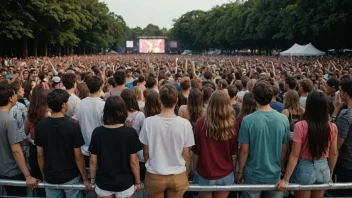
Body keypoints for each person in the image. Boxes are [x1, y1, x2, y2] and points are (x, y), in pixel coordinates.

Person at [276, 91, 338, 198]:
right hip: (323, 169)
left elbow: (294, 155)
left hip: (304, 168)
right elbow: (333, 153)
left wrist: (285, 179)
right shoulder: (332, 127)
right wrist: (330, 171)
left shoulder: (300, 126)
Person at [139, 84, 195, 198]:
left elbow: (146, 152)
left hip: (154, 173)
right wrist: (186, 172)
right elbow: (186, 155)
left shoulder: (148, 122)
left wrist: (149, 164)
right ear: (177, 100)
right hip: (177, 174)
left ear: (159, 100)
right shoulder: (185, 124)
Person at [237, 80, 290, 198]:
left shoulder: (248, 120)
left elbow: (244, 151)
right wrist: (279, 166)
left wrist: (240, 171)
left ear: (254, 97)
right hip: (274, 173)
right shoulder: (283, 119)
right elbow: (284, 149)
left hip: (252, 174)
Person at [35, 89, 92, 197]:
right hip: (70, 176)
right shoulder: (72, 126)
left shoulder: (40, 126)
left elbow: (39, 155)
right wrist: (85, 178)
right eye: (67, 102)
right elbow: (78, 155)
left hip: (50, 176)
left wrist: (44, 175)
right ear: (63, 105)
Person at [89, 96, 142, 198]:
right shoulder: (130, 133)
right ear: (123, 110)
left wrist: (92, 179)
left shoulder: (97, 132)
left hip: (104, 181)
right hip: (125, 182)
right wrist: (138, 181)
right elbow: (134, 161)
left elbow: (93, 160)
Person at [192, 91, 238, 198]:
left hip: (205, 172)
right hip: (225, 172)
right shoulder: (233, 124)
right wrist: (235, 170)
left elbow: (196, 151)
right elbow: (234, 152)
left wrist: (194, 170)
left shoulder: (200, 123)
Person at [0, 83, 38, 196]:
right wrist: (27, 175)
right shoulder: (10, 121)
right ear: (11, 98)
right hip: (12, 172)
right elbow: (16, 150)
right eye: (15, 94)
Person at [73, 76, 105, 166]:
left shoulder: (79, 104)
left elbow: (76, 121)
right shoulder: (104, 105)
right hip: (100, 148)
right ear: (100, 88)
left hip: (85, 148)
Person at [331, 80, 352, 196]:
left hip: (346, 165)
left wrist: (336, 110)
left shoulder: (345, 115)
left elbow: (336, 144)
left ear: (345, 94)